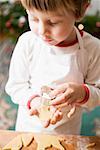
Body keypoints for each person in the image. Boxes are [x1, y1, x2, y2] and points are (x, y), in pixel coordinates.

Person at [5, 0, 100, 135]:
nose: (42, 31)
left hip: (68, 133)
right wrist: (35, 101)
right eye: (34, 18)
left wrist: (82, 92)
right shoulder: (27, 43)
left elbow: (98, 92)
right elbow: (15, 86)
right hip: (28, 129)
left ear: (80, 10)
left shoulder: (93, 49)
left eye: (53, 22)